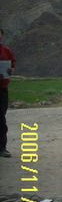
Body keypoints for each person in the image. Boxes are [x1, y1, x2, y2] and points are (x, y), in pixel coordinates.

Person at [0, 29, 16, 158]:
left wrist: (10, 70)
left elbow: (12, 64)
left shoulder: (6, 51)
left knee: (1, 117)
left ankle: (2, 147)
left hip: (2, 88)